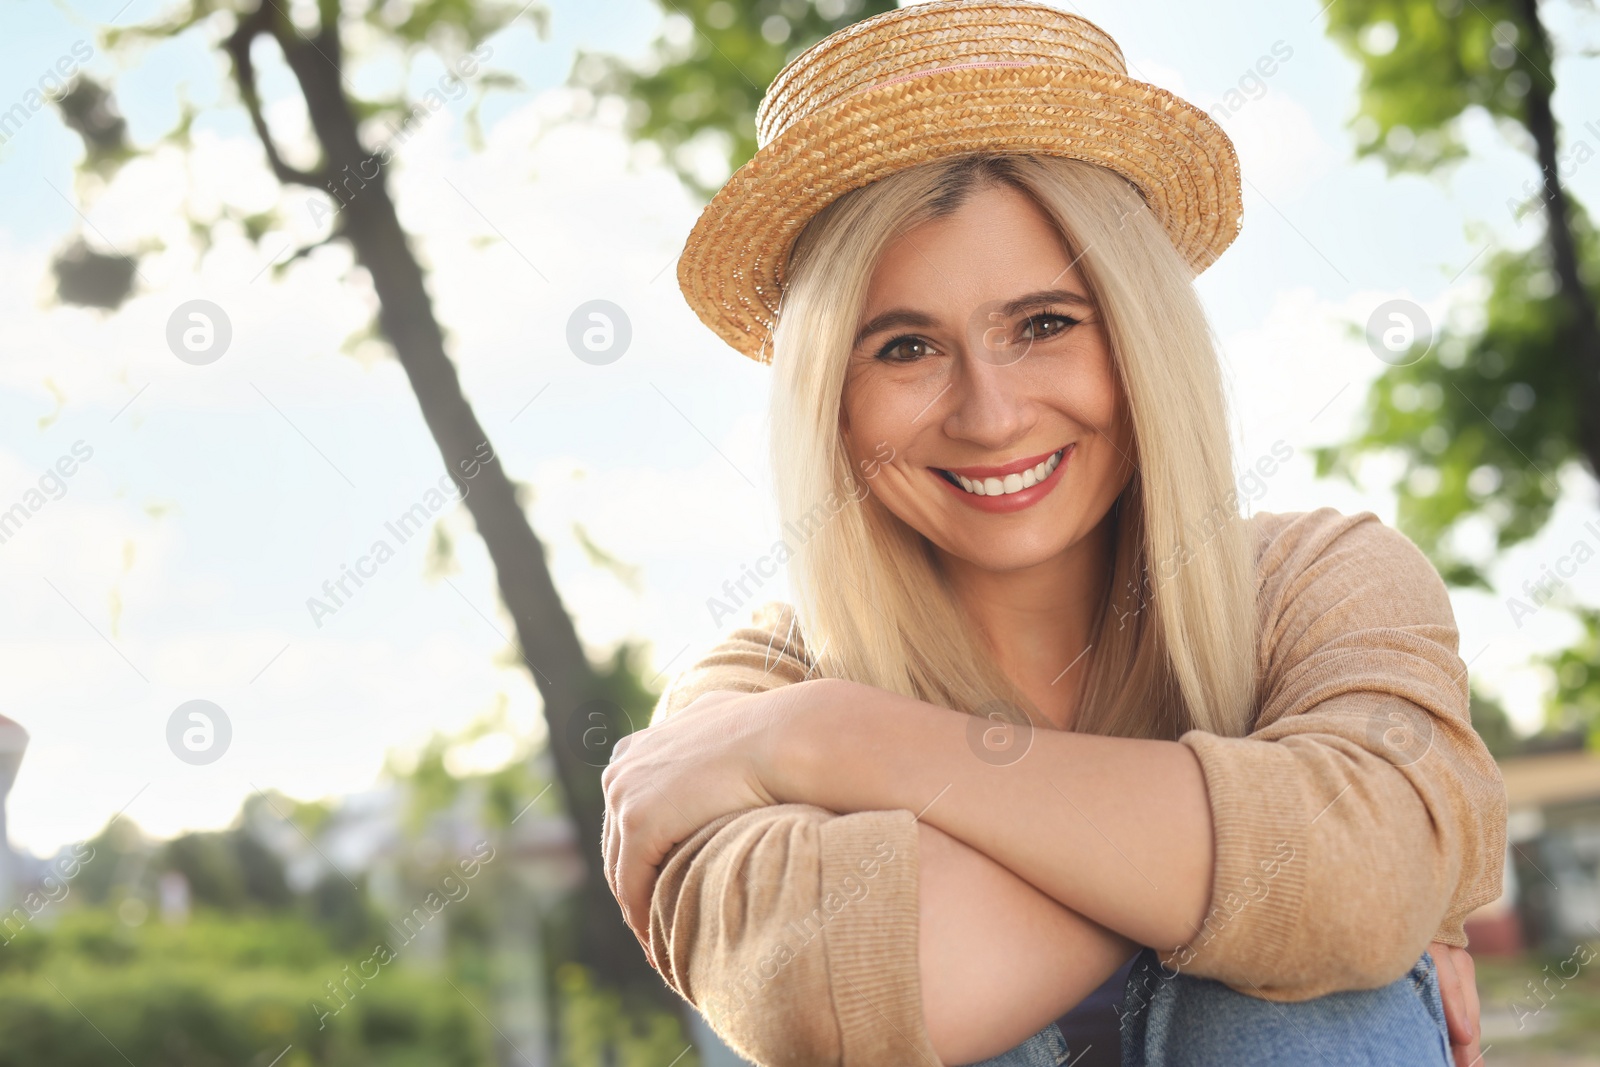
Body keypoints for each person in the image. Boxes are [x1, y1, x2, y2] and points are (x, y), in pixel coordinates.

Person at [600, 3, 1507, 1065]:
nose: (988, 414)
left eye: (1044, 324)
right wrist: (1305, 874)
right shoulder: (747, 687)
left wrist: (835, 739)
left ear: (1138, 338)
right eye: (902, 347)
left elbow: (1365, 875)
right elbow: (845, 996)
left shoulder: (1322, 580)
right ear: (829, 405)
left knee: (1296, 1004)